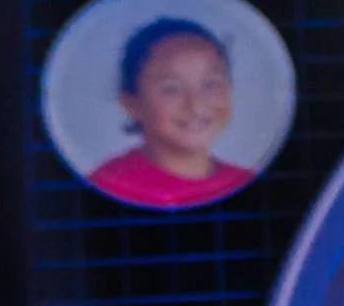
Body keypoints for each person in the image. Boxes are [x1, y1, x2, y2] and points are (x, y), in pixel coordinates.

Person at [86, 18, 257, 210]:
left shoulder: (244, 182)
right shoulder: (109, 186)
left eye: (210, 84)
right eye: (171, 89)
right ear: (131, 103)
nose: (196, 105)